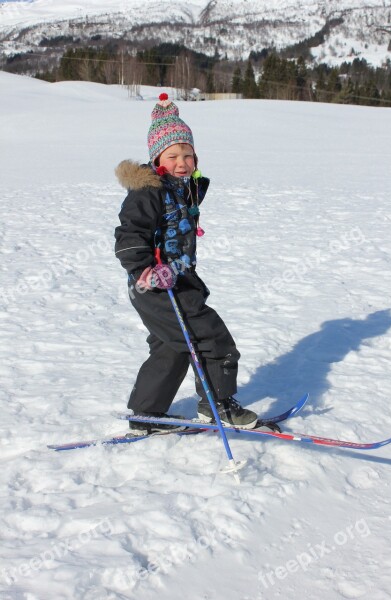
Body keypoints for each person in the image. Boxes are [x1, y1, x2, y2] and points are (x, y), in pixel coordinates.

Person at [114, 93, 258, 435]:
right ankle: (217, 405)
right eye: (172, 155)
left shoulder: (182, 188)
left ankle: (147, 414)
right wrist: (145, 269)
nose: (182, 161)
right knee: (211, 337)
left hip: (179, 279)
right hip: (154, 286)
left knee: (173, 346)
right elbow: (129, 234)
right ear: (157, 158)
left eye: (188, 154)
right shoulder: (148, 192)